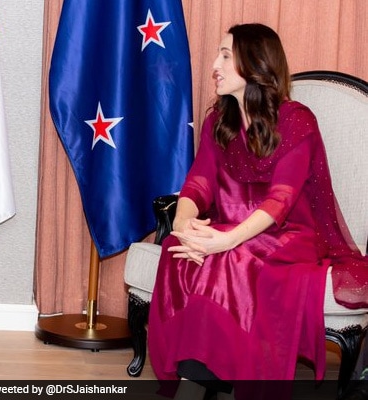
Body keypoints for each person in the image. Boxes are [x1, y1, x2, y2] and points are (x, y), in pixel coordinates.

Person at [147, 23, 368, 400]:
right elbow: (198, 183)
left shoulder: (298, 120)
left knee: (236, 259)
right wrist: (184, 227)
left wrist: (223, 241)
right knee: (176, 252)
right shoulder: (219, 122)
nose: (214, 64)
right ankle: (200, 373)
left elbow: (279, 201)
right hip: (232, 227)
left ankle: (236, 379)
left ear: (255, 64)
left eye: (225, 55)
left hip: (288, 236)